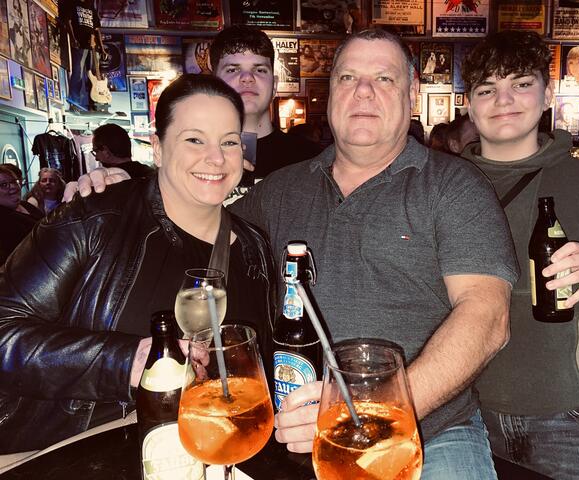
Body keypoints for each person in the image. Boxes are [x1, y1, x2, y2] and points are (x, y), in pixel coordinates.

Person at [63, 29, 519, 479]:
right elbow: (192, 219)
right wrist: (130, 190)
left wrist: (377, 413)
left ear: (412, 92)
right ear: (330, 92)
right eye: (348, 78)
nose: (363, 92)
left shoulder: (454, 185)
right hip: (297, 435)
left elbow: (486, 316)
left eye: (384, 78)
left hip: (429, 431)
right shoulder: (281, 190)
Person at [0, 74, 277, 453]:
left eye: (228, 141)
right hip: (85, 456)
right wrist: (126, 360)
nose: (216, 158)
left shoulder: (253, 247)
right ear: (158, 148)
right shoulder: (93, 219)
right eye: (194, 139)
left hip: (206, 453)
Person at [461, 30, 579, 479]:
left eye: (521, 83)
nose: (504, 99)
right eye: (487, 89)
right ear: (468, 105)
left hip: (578, 426)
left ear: (547, 96)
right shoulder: (440, 189)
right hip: (464, 420)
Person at [210, 26, 323, 182]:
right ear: (214, 85)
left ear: (274, 86)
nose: (247, 77)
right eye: (232, 70)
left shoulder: (312, 160)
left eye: (260, 70)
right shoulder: (193, 157)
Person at [59, 0, 106, 111]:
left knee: (95, 77)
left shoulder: (91, 7)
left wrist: (102, 48)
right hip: (80, 44)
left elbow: (97, 29)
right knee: (78, 73)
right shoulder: (72, 3)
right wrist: (73, 38)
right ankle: (74, 103)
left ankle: (97, 103)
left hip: (93, 47)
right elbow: (68, 21)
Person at [0, 165, 43, 265]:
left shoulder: (26, 205)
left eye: (14, 181)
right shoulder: (3, 220)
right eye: (4, 185)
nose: (14, 187)